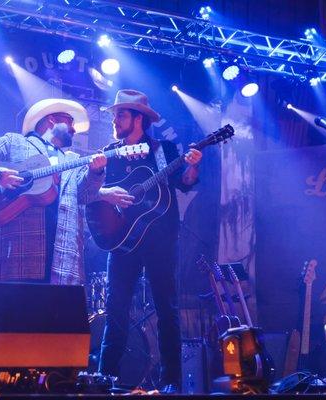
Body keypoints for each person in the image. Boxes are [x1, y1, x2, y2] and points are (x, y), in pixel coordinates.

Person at [96, 89, 202, 393]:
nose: (115, 120)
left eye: (121, 114)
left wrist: (192, 164)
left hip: (160, 240)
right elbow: (93, 193)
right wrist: (107, 195)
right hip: (121, 239)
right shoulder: (110, 152)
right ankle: (106, 381)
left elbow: (184, 183)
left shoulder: (164, 150)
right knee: (115, 310)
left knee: (167, 310)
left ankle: (172, 383)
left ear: (138, 118)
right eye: (116, 115)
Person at [0, 98, 106, 284]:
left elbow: (85, 195)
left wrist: (96, 172)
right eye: (70, 122)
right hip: (16, 248)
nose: (74, 129)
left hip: (62, 256)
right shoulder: (15, 142)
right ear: (52, 120)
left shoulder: (73, 160)